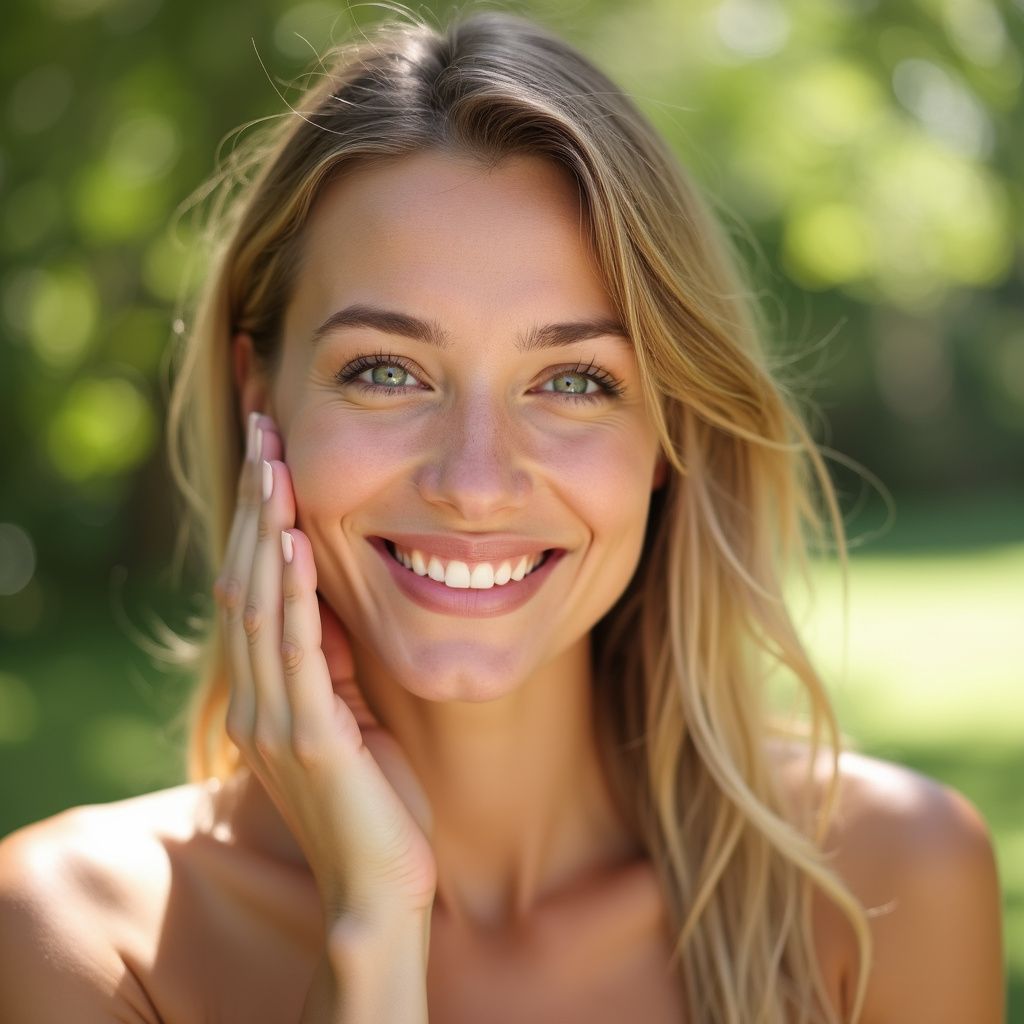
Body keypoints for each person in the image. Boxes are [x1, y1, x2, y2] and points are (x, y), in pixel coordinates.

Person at [0, 8, 1004, 1023]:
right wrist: (369, 933)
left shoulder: (886, 886)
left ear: (669, 435)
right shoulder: (77, 935)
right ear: (259, 395)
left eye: (572, 380)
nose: (476, 483)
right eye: (386, 371)